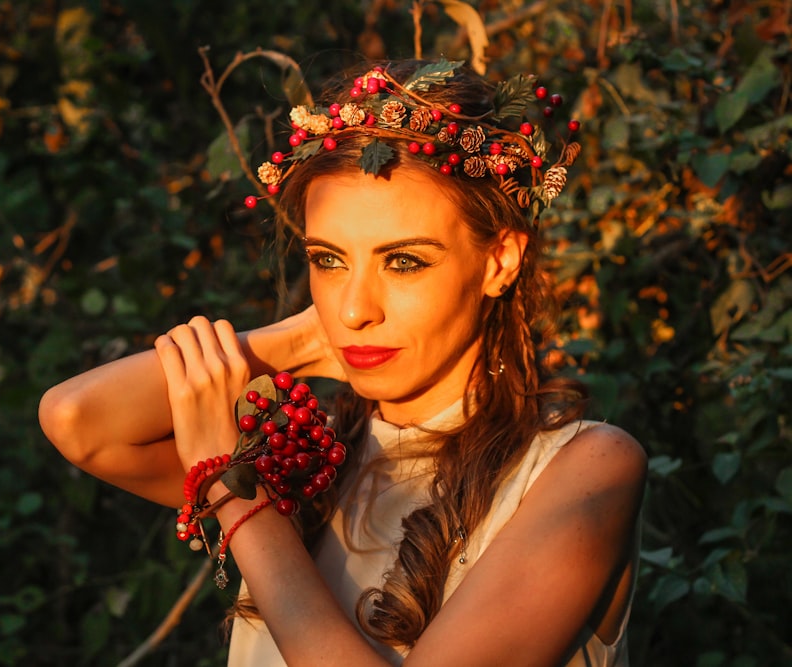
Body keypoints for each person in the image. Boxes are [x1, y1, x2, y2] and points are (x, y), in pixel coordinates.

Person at [39, 59, 647, 667]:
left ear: (499, 262)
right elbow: (77, 420)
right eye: (329, 260)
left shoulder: (583, 470)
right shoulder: (310, 459)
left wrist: (231, 487)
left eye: (403, 262)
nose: (355, 309)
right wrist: (302, 341)